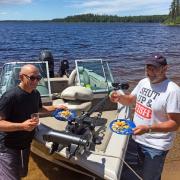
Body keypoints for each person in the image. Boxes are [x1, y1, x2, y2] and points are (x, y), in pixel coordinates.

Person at [109, 54, 180, 180]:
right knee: (134, 173)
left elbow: (174, 124)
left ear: (165, 69)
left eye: (154, 69)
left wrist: (148, 129)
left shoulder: (172, 91)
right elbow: (130, 100)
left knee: (150, 177)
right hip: (136, 137)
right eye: (148, 68)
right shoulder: (143, 82)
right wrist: (119, 98)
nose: (149, 72)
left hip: (156, 146)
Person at [0, 64, 65, 180]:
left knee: (22, 173)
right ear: (21, 77)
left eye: (38, 78)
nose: (35, 81)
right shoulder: (10, 97)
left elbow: (39, 109)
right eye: (32, 78)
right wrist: (22, 126)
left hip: (25, 144)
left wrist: (57, 108)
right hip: (8, 146)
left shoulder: (35, 94)